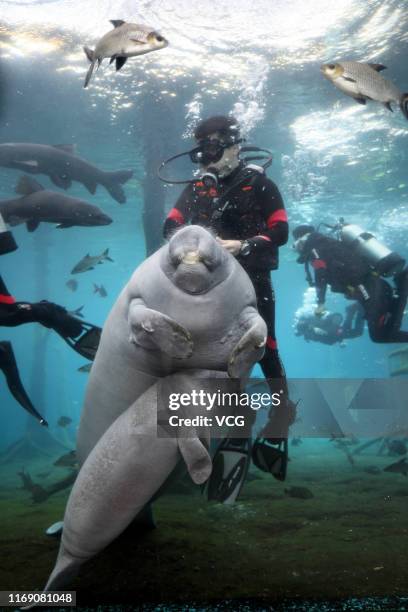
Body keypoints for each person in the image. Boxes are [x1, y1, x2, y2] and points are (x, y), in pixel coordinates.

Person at [163, 115, 295, 489]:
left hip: (253, 282)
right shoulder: (197, 189)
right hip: (212, 288)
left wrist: (244, 245)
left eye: (213, 149)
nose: (206, 160)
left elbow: (281, 232)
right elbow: (169, 227)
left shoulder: (260, 184)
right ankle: (232, 423)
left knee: (264, 346)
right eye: (200, 152)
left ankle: (281, 415)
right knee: (210, 354)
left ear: (234, 145)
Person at [293, 224, 408, 343]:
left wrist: (320, 303)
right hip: (374, 288)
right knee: (383, 333)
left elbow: (320, 273)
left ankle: (403, 284)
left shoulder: (315, 250)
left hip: (371, 291)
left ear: (301, 240)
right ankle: (402, 285)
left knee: (381, 336)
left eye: (296, 244)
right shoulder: (328, 243)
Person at [295, 303, 365, 346]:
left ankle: (360, 309)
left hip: (335, 332)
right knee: (349, 330)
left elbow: (325, 334)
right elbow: (325, 335)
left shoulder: (311, 330)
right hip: (336, 332)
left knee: (357, 332)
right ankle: (353, 310)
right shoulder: (309, 331)